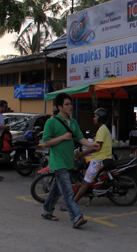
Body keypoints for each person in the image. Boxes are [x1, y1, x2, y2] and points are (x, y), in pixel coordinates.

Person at [39, 93, 99, 228]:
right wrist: (63, 137)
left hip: (69, 161)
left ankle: (46, 210)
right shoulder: (51, 122)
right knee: (67, 191)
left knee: (57, 189)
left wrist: (91, 145)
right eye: (67, 104)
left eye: (71, 104)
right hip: (58, 162)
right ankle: (76, 217)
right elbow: (46, 142)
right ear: (60, 107)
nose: (70, 106)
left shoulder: (73, 122)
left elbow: (80, 138)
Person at [73, 108, 113, 203]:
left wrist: (82, 153)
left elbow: (96, 147)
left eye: (95, 116)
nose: (94, 118)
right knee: (84, 163)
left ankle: (72, 204)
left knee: (85, 182)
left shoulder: (102, 129)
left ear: (100, 118)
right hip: (98, 157)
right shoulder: (101, 129)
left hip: (100, 159)